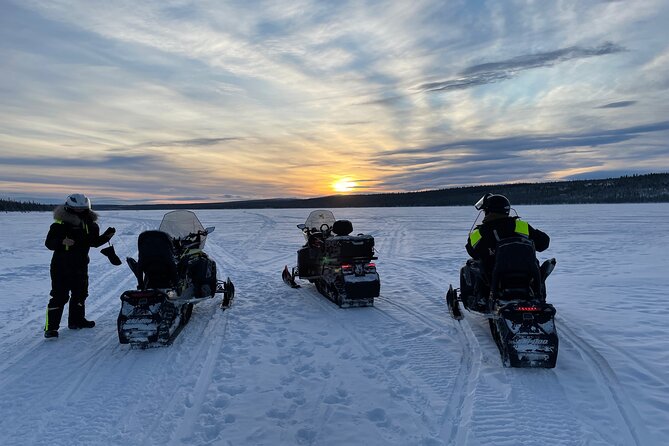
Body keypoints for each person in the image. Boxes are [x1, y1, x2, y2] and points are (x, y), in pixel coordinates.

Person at [44, 194, 116, 338]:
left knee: (80, 294)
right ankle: (50, 328)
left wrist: (107, 237)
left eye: (82, 209)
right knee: (59, 296)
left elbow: (93, 242)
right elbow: (49, 243)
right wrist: (62, 242)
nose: (79, 211)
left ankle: (76, 321)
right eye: (76, 209)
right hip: (61, 266)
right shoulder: (59, 224)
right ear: (69, 208)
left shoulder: (91, 225)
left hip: (81, 265)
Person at [461, 193, 549, 306]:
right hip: (526, 275)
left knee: (471, 265)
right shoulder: (521, 226)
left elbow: (472, 252)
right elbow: (544, 243)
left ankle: (481, 298)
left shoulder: (480, 233)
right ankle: (538, 294)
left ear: (488, 211)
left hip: (495, 277)